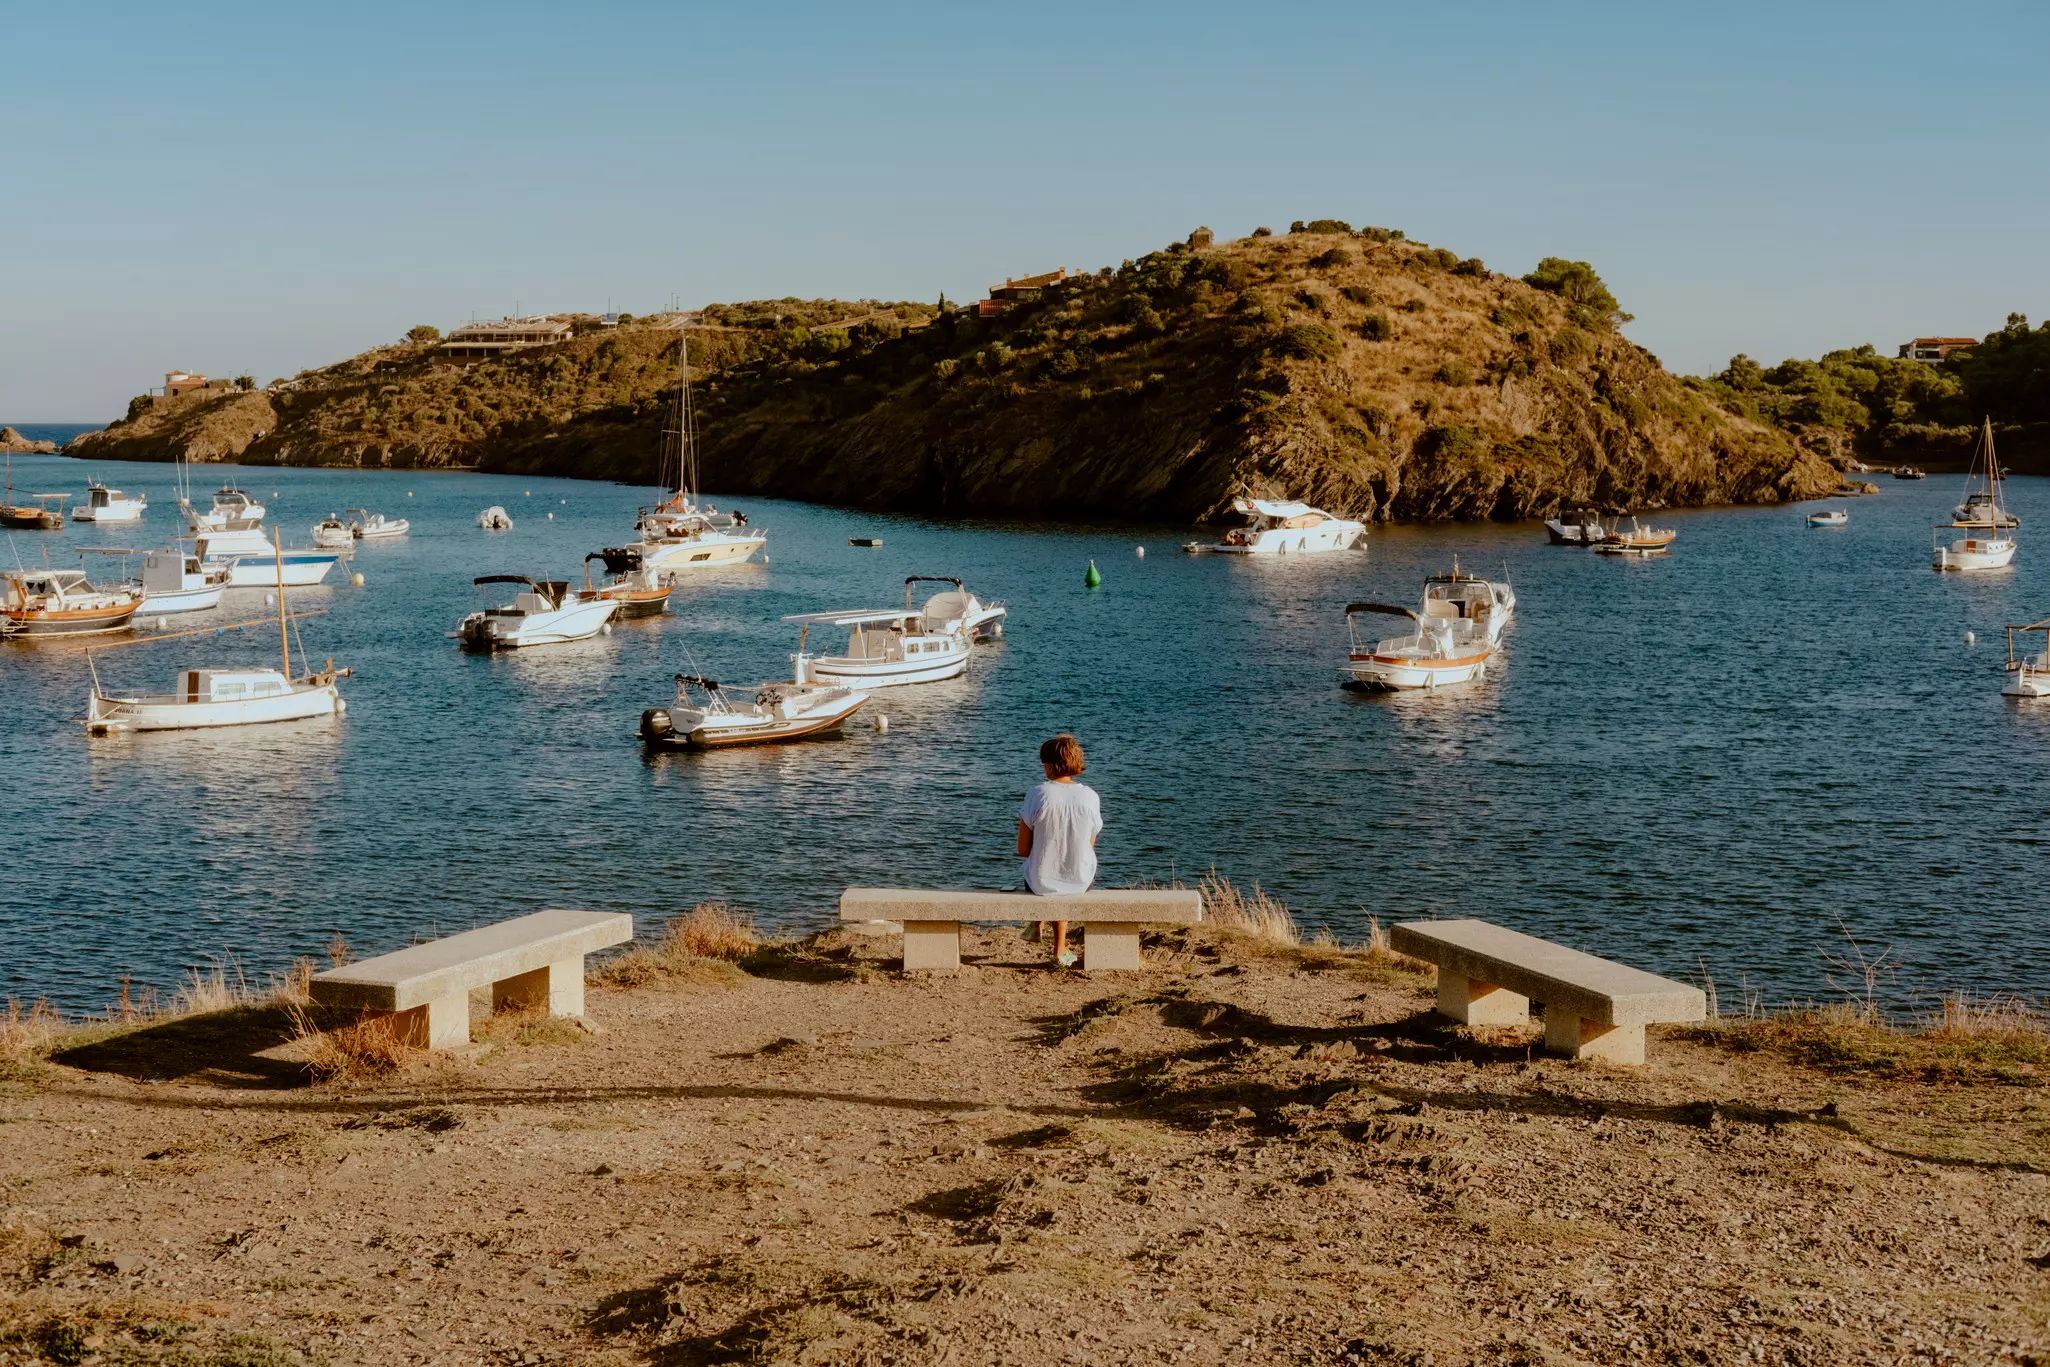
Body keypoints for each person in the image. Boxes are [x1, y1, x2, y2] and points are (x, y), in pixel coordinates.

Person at [1017, 733, 1101, 968]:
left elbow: (1023, 849)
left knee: (1044, 869)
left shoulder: (1038, 793)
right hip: (1081, 879)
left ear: (1050, 765)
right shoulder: (1091, 797)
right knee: (1067, 868)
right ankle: (1059, 948)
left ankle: (1038, 922)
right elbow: (1088, 846)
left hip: (1041, 882)